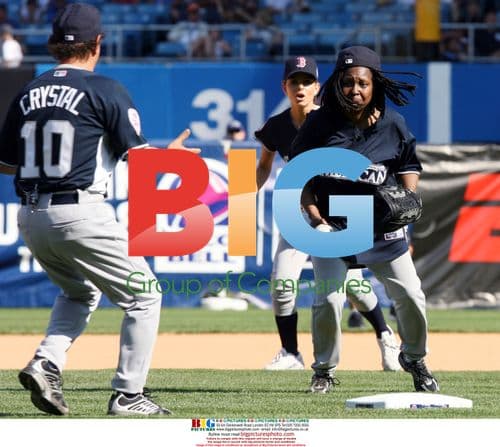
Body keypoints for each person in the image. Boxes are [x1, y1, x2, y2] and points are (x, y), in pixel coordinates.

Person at [0, 3, 199, 416]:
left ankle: (46, 362)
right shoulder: (104, 89)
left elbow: (6, 163)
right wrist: (172, 156)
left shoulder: (26, 93)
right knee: (146, 296)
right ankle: (128, 395)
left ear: (54, 43)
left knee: (79, 291)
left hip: (30, 215)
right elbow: (142, 163)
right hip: (79, 211)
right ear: (99, 43)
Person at [290, 46, 439, 393]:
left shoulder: (392, 123)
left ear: (375, 85)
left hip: (381, 226)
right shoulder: (320, 124)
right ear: (337, 84)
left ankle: (414, 359)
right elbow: (297, 178)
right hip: (334, 226)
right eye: (347, 83)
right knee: (328, 298)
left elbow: (409, 165)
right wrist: (315, 220)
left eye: (362, 83)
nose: (354, 90)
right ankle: (324, 370)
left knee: (412, 295)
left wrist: (409, 198)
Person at [255, 56, 400, 372]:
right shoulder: (277, 126)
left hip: (337, 214)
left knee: (355, 289)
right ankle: (291, 353)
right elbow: (265, 162)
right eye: (295, 82)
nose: (301, 87)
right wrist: (246, 192)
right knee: (281, 286)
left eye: (307, 81)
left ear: (318, 87)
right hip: (298, 215)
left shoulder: (336, 121)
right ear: (285, 87)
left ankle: (386, 335)